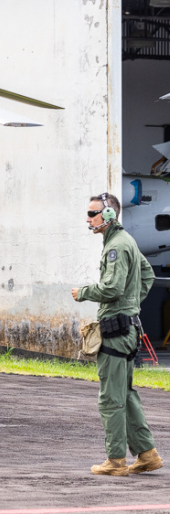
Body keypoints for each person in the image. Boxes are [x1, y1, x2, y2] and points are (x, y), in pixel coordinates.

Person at [72, 193, 163, 476]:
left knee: (110, 398)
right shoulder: (126, 242)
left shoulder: (115, 247)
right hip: (127, 329)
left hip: (115, 331)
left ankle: (115, 460)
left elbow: (111, 288)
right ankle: (147, 455)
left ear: (109, 215)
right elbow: (147, 276)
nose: (88, 219)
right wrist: (132, 305)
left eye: (92, 213)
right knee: (126, 393)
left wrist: (83, 293)